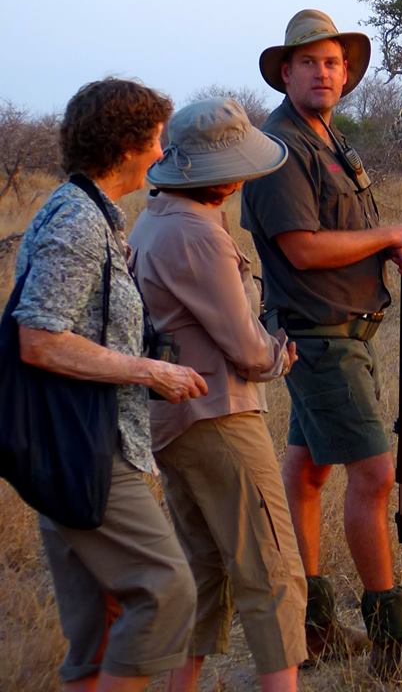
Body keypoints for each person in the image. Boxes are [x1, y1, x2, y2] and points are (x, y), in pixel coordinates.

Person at [240, 9, 402, 689]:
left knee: (307, 474)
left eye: (334, 62)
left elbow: (347, 229)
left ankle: (308, 626)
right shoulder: (280, 146)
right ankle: (394, 644)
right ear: (285, 71)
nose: (323, 72)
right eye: (309, 61)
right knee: (374, 479)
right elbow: (303, 248)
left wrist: (388, 242)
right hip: (321, 339)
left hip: (344, 332)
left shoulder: (330, 138)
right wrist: (392, 230)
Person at [14, 78, 209, 692]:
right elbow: (39, 339)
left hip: (73, 443)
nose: (160, 152)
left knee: (100, 619)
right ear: (127, 144)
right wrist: (148, 369)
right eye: (155, 139)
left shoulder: (88, 211)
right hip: (87, 447)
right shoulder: (77, 219)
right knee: (166, 592)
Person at [129, 98, 308, 692]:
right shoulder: (196, 233)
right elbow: (247, 349)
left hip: (171, 420)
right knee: (273, 567)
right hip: (218, 418)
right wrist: (279, 353)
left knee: (203, 570)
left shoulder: (155, 218)